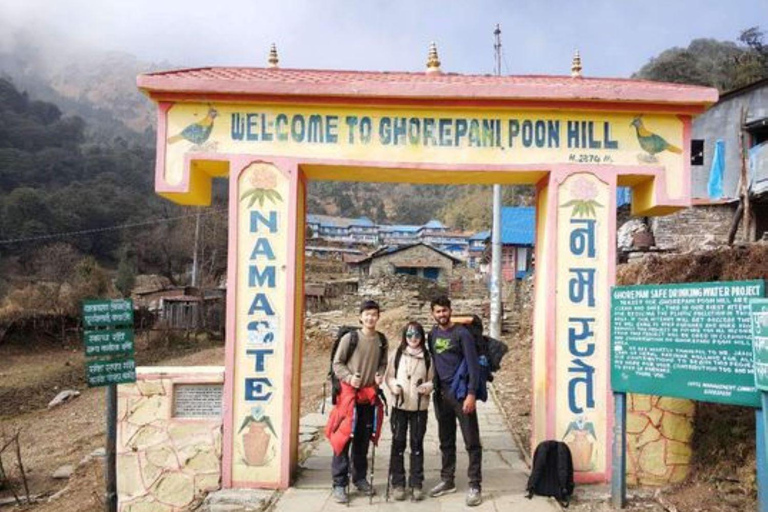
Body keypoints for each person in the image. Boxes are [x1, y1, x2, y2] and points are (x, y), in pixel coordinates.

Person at [327, 300, 387, 504]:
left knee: (363, 439)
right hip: (349, 396)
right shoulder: (350, 338)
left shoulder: (381, 340)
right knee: (343, 439)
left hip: (368, 397)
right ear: (360, 317)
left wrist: (379, 375)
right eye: (367, 314)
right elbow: (337, 363)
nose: (371, 318)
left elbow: (382, 363)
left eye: (374, 314)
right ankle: (339, 484)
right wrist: (349, 378)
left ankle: (359, 478)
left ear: (378, 317)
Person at [427, 295, 483, 507]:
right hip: (442, 395)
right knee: (446, 440)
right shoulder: (432, 334)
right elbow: (433, 360)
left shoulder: (462, 334)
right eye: (438, 311)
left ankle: (475, 484)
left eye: (444, 310)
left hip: (461, 394)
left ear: (451, 310)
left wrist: (471, 393)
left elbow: (473, 366)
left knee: (472, 441)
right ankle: (447, 480)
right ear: (433, 313)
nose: (442, 314)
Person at [384, 321, 434, 501]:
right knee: (397, 443)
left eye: (417, 335)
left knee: (417, 444)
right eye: (410, 335)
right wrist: (393, 386)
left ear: (422, 337)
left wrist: (428, 386)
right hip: (400, 405)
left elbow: (432, 379)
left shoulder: (428, 357)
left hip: (420, 407)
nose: (413, 339)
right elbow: (388, 376)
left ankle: (416, 483)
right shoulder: (397, 354)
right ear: (404, 337)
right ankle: (398, 483)